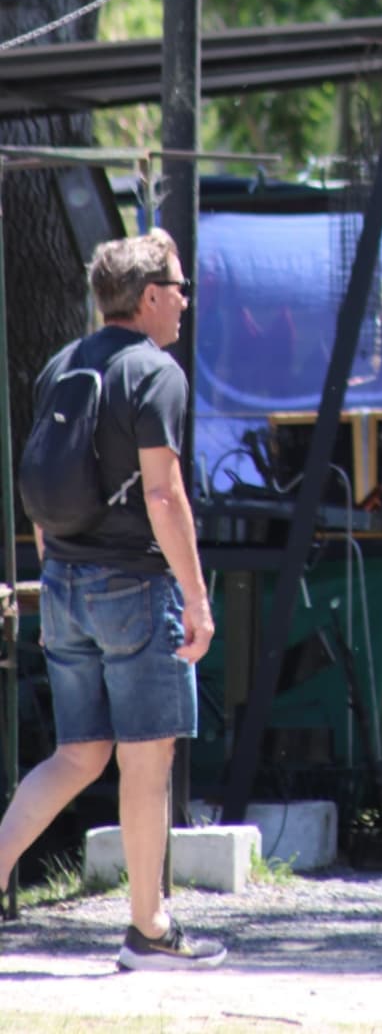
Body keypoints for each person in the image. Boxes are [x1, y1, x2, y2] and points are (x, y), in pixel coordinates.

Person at [0, 231, 226, 971]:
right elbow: (163, 494)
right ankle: (148, 928)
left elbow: (43, 483)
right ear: (151, 295)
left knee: (76, 754)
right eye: (181, 287)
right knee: (145, 761)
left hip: (63, 579)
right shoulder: (155, 373)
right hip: (134, 583)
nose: (186, 301)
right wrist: (196, 599)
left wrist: (60, 560)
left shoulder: (64, 365)